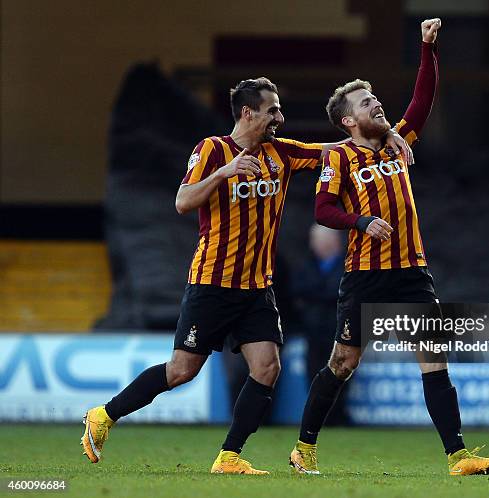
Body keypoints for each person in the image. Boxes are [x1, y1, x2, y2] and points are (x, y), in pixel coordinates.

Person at [80, 77, 411, 474]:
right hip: (212, 283)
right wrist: (226, 172)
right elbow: (183, 201)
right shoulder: (212, 150)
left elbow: (338, 149)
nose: (279, 118)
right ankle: (104, 415)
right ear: (248, 112)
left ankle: (229, 456)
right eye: (273, 110)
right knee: (181, 371)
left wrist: (388, 133)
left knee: (268, 367)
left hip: (257, 288)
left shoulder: (281, 153)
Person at [289, 19, 489, 476]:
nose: (376, 103)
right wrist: (362, 221)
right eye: (366, 102)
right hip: (366, 274)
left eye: (375, 97)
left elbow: (422, 101)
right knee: (343, 362)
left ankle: (458, 458)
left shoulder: (397, 143)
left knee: (434, 357)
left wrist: (428, 48)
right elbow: (324, 210)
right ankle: (304, 447)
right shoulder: (338, 157)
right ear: (348, 120)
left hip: (412, 270)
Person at [293, 224, 349, 425]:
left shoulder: (348, 264)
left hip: (340, 330)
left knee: (340, 372)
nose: (312, 244)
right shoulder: (306, 264)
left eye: (315, 239)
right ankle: (318, 418)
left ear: (331, 241)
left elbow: (343, 293)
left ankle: (337, 417)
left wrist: (314, 295)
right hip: (313, 330)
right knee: (314, 372)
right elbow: (297, 290)